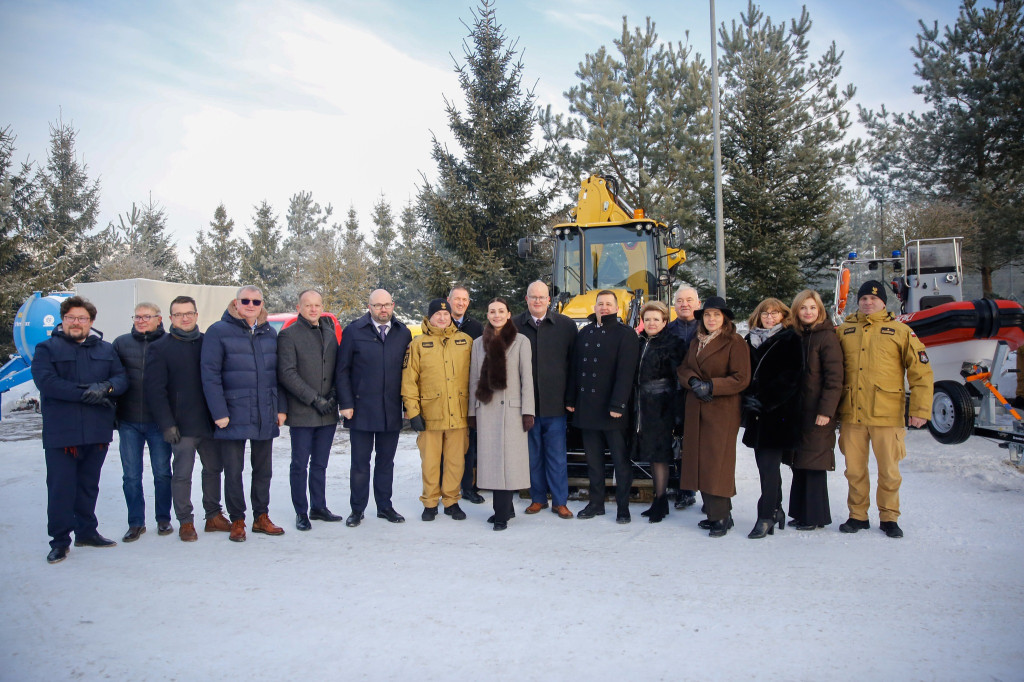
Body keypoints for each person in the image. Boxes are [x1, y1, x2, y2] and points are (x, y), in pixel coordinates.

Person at [31, 296, 128, 564]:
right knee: (61, 488)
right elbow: (47, 382)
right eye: (71, 317)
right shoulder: (46, 349)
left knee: (88, 485)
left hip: (96, 430)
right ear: (63, 320)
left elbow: (121, 379)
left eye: (82, 318)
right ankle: (60, 541)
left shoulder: (105, 349)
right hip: (62, 433)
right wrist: (87, 393)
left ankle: (86, 532)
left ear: (91, 321)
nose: (76, 322)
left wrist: (106, 387)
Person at [836, 280, 933, 538]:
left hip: (887, 414)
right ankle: (858, 515)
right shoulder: (844, 331)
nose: (868, 302)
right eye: (864, 298)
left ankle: (889, 517)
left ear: (883, 302)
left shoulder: (901, 331)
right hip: (852, 413)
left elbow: (921, 372)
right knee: (854, 470)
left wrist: (920, 409)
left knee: (889, 471)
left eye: (874, 298)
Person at [201, 286, 287, 542]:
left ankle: (261, 516)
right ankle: (237, 519)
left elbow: (277, 374)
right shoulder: (218, 331)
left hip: (264, 410)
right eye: (246, 300)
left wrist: (280, 407)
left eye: (256, 301)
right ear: (236, 303)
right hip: (232, 412)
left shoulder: (269, 332)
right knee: (233, 470)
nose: (251, 305)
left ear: (262, 304)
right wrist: (218, 411)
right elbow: (210, 374)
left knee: (263, 470)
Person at [145, 295, 229, 542]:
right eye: (179, 314)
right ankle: (185, 521)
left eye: (189, 313)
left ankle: (213, 515)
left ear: (196, 315)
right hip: (181, 426)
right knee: (182, 474)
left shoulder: (207, 343)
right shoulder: (160, 347)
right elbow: (155, 391)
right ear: (170, 318)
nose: (184, 318)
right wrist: (167, 424)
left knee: (213, 469)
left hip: (210, 422)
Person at [336, 288, 412, 527]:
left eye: (387, 304)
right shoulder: (354, 331)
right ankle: (357, 509)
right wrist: (346, 403)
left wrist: (408, 405)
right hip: (361, 409)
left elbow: (409, 373)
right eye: (378, 305)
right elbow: (342, 370)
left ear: (393, 305)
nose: (383, 309)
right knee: (360, 464)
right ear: (369, 307)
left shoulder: (403, 333)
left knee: (386, 463)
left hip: (391, 409)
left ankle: (384, 506)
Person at [677, 296, 751, 537]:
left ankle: (720, 516)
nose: (711, 319)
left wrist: (711, 386)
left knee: (717, 463)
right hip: (696, 409)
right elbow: (684, 368)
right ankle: (717, 514)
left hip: (721, 411)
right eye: (707, 315)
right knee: (700, 462)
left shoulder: (734, 342)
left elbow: (741, 378)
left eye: (716, 315)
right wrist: (693, 381)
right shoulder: (696, 341)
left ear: (725, 318)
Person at [568, 290, 639, 524]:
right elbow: (576, 369)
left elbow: (625, 374)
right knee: (593, 461)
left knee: (620, 461)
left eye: (609, 304)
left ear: (617, 308)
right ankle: (596, 503)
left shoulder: (625, 334)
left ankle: (623, 507)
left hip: (612, 410)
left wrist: (618, 404)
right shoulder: (585, 333)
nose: (604, 307)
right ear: (595, 307)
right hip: (587, 408)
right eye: (600, 304)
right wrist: (571, 399)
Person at [402, 298, 473, 522]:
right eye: (437, 314)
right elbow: (409, 381)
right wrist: (413, 412)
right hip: (430, 414)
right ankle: (430, 502)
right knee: (431, 462)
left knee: (455, 462)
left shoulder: (465, 341)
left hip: (459, 413)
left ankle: (451, 501)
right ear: (429, 317)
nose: (442, 318)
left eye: (446, 314)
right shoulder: (418, 344)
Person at [512, 280, 577, 519]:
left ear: (549, 300)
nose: (537, 301)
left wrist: (570, 397)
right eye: (533, 297)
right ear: (526, 299)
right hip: (526, 405)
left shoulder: (566, 325)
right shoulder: (514, 325)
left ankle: (560, 501)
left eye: (542, 297)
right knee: (533, 455)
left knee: (557, 456)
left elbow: (574, 365)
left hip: (555, 403)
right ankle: (538, 498)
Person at [277, 289, 342, 531]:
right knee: (300, 464)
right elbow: (287, 373)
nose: (313, 309)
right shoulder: (288, 335)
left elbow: (337, 367)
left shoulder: (329, 332)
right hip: (303, 410)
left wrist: (333, 395)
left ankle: (318, 506)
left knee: (320, 464)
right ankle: (301, 511)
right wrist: (314, 399)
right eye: (308, 305)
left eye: (317, 305)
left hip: (328, 412)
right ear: (299, 308)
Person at [468, 298, 535, 530]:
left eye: (501, 311)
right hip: (487, 409)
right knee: (493, 462)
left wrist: (528, 411)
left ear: (508, 314)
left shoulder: (521, 341)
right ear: (487, 315)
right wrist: (472, 411)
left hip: (512, 411)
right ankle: (506, 509)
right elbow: (474, 379)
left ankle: (501, 514)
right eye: (492, 311)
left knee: (508, 462)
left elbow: (527, 378)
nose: (496, 315)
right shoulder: (478, 343)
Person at [741, 298, 802, 539]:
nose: (769, 317)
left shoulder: (790, 339)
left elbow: (792, 377)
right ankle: (776, 510)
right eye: (765, 313)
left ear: (783, 316)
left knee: (769, 467)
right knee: (765, 467)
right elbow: (744, 373)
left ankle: (765, 515)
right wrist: (747, 397)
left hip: (778, 414)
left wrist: (765, 400)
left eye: (775, 313)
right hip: (756, 415)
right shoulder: (750, 340)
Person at [112, 302, 172, 542]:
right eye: (137, 317)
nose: (141, 321)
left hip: (159, 421)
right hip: (129, 420)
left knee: (162, 472)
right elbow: (113, 376)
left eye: (147, 317)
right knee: (131, 476)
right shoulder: (121, 344)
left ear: (159, 319)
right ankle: (136, 522)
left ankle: (163, 518)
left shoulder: (169, 343)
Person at [787, 289, 843, 531]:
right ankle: (800, 512)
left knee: (815, 463)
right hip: (799, 411)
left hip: (818, 412)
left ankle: (814, 516)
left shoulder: (826, 337)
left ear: (819, 310)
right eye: (803, 308)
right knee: (800, 461)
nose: (808, 312)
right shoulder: (798, 335)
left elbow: (834, 378)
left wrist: (826, 411)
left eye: (812, 307)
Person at [634, 301, 685, 523]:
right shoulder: (640, 341)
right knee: (651, 453)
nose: (651, 323)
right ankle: (658, 499)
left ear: (665, 321)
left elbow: (678, 379)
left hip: (663, 406)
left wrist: (676, 412)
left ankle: (661, 499)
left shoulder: (673, 343)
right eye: (647, 319)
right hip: (643, 405)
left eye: (656, 319)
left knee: (660, 455)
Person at [447, 284, 485, 504]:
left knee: (469, 443)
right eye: (457, 299)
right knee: (445, 444)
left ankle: (468, 487)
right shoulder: (439, 323)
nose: (460, 303)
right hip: (445, 393)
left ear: (468, 303)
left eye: (464, 300)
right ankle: (444, 486)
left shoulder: (476, 327)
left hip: (468, 394)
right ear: (449, 300)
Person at [665, 285, 701, 510]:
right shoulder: (667, 330)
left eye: (689, 300)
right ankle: (682, 488)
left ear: (698, 303)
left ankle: (706, 490)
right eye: (679, 301)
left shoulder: (706, 329)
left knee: (700, 444)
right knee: (678, 442)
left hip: (701, 394)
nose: (684, 304)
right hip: (674, 394)